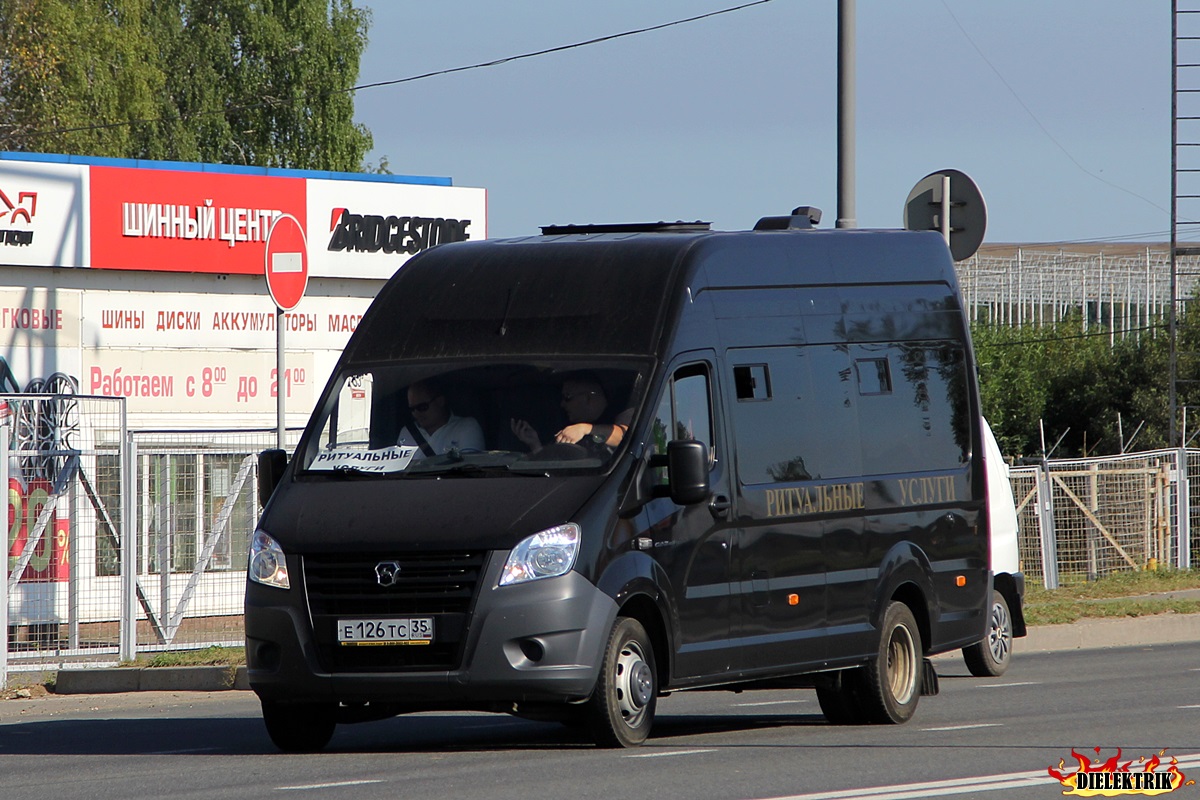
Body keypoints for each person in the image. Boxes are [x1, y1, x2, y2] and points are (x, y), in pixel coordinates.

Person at [510, 374, 632, 453]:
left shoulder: (621, 409)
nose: (562, 404)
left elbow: (625, 436)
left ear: (588, 397)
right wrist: (535, 444)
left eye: (567, 397)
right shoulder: (564, 423)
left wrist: (585, 429)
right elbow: (555, 466)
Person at [397, 379, 485, 456]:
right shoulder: (406, 432)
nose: (416, 413)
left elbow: (468, 469)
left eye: (422, 407)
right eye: (412, 409)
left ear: (440, 401)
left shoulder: (467, 427)